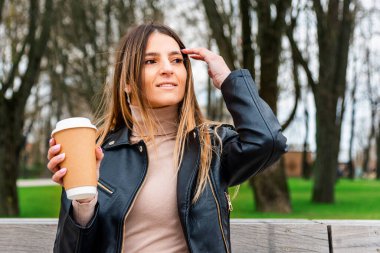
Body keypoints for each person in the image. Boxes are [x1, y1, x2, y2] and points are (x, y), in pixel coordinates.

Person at [47, 22, 287, 253]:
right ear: (127, 82)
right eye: (150, 61)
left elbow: (268, 141)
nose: (168, 69)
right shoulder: (98, 152)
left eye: (176, 60)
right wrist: (84, 201)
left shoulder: (210, 147)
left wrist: (228, 80)